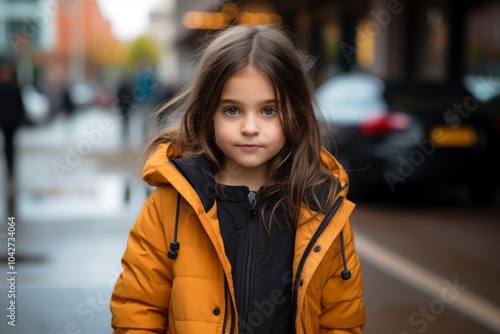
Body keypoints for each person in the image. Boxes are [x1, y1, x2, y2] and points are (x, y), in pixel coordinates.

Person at [110, 24, 365, 334]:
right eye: (232, 110)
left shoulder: (323, 208)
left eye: (269, 110)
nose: (249, 127)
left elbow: (341, 321)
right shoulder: (169, 206)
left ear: (295, 113)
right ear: (208, 113)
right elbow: (138, 310)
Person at [0, 60, 26, 214]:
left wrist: (21, 118)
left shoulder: (15, 88)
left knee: (11, 146)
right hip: (4, 121)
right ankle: (9, 169)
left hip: (12, 122)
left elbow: (20, 105)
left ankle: (11, 169)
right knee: (7, 145)